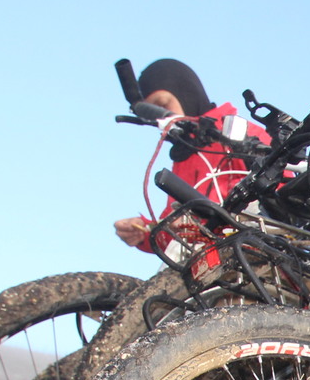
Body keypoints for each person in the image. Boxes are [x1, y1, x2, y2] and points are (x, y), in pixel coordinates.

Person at [113, 58, 272, 252]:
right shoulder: (183, 160)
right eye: (152, 112)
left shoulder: (243, 134)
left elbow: (281, 189)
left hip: (254, 246)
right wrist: (144, 233)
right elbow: (173, 228)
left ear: (186, 93)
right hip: (204, 257)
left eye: (163, 104)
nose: (161, 116)